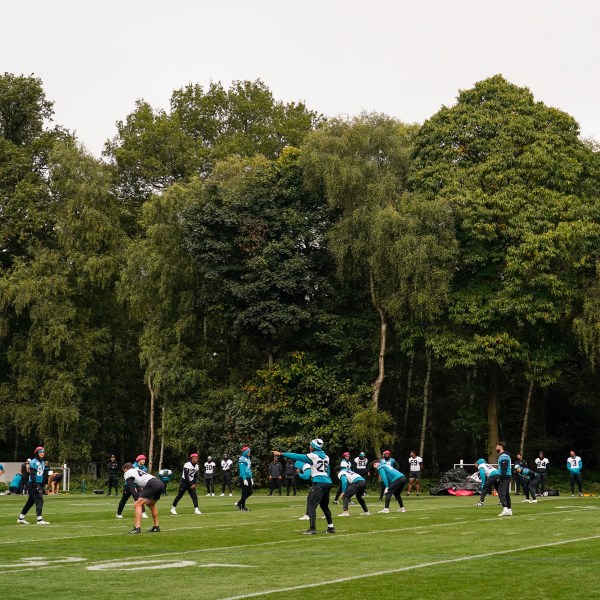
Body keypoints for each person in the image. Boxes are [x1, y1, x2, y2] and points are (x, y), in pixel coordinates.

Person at [272, 439, 336, 535]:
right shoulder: (326, 457)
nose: (309, 447)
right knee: (324, 506)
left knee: (311, 506)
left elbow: (296, 456)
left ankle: (312, 529)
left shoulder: (312, 456)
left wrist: (281, 453)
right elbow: (327, 471)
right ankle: (331, 527)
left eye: (310, 445)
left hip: (319, 482)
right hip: (327, 482)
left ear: (314, 447)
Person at [122, 462, 163, 534]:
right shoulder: (137, 470)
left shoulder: (127, 473)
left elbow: (131, 486)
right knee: (151, 504)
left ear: (125, 469)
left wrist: (136, 499)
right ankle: (156, 527)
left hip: (152, 484)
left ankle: (137, 528)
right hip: (159, 483)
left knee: (137, 505)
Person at [17, 446, 50, 525]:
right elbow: (32, 474)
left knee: (30, 502)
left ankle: (21, 518)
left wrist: (42, 485)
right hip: (33, 484)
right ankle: (39, 520)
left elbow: (41, 475)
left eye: (43, 452)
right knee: (40, 500)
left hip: (37, 483)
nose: (42, 453)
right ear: (37, 453)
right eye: (40, 452)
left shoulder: (42, 462)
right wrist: (36, 485)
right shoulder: (34, 461)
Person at [116, 454, 148, 519]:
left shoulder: (145, 468)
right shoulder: (132, 466)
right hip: (129, 485)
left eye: (144, 459)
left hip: (138, 485)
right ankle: (119, 513)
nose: (144, 460)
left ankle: (143, 513)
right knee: (124, 499)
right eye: (142, 459)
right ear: (138, 460)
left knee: (140, 498)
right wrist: (131, 485)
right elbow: (128, 476)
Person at [496, 441, 513, 517]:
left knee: (501, 493)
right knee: (506, 494)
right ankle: (509, 509)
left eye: (497, 446)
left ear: (500, 446)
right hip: (507, 476)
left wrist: (500, 478)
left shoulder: (504, 456)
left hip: (505, 476)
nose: (496, 447)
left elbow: (504, 468)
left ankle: (505, 508)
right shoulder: (503, 455)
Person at [236, 446, 253, 511]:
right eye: (249, 452)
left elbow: (249, 468)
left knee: (250, 492)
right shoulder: (241, 458)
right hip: (244, 477)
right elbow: (242, 469)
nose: (249, 453)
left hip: (248, 476)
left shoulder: (248, 458)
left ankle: (239, 503)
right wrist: (244, 479)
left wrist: (251, 478)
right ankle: (242, 507)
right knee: (244, 492)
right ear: (246, 452)